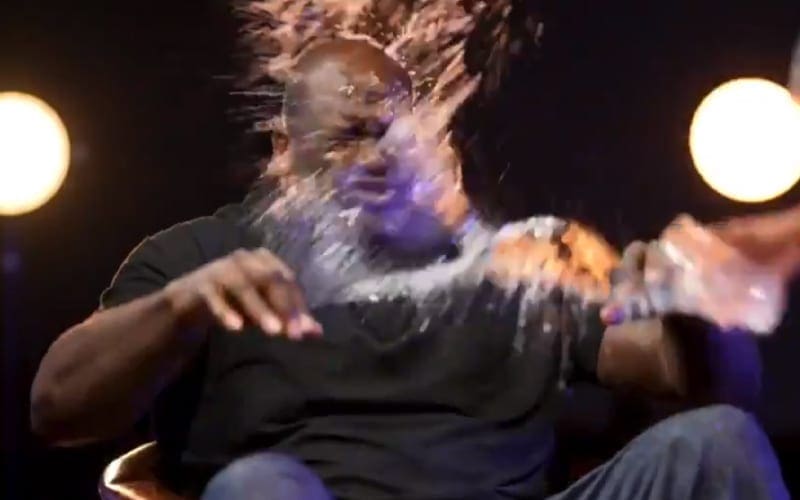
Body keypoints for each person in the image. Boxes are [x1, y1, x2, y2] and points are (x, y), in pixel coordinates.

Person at [30, 39, 789, 500]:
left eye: (392, 133)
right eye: (346, 138)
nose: (376, 158)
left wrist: (692, 303)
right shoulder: (203, 259)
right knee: (260, 486)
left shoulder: (510, 265)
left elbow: (716, 387)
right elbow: (56, 408)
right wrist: (179, 309)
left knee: (715, 441)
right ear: (282, 154)